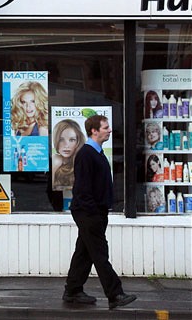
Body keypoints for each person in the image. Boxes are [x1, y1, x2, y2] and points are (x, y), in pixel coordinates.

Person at [62, 115, 137, 310]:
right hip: (89, 213)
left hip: (95, 212)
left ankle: (72, 291)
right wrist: (94, 214)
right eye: (105, 127)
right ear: (94, 131)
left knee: (84, 252)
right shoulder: (87, 154)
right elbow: (82, 190)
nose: (109, 130)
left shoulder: (97, 153)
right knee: (99, 253)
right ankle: (115, 294)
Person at [52, 119, 86, 191]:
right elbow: (50, 190)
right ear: (56, 140)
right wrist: (54, 164)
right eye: (61, 140)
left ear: (78, 141)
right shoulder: (54, 161)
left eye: (72, 140)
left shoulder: (83, 162)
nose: (66, 145)